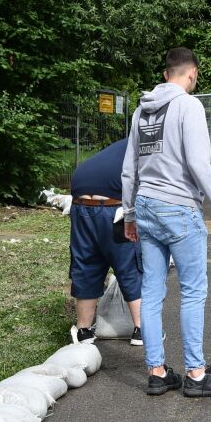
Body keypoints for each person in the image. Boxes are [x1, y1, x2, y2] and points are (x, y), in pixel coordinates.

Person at [121, 47, 211, 397]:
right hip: (179, 208)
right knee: (192, 290)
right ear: (192, 74)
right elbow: (199, 163)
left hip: (145, 205)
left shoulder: (140, 112)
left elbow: (130, 170)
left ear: (165, 74)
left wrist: (129, 215)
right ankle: (196, 374)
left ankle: (157, 372)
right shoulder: (189, 106)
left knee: (152, 291)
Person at [68, 138, 143, 345]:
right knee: (129, 264)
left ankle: (83, 331)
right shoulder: (152, 148)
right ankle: (140, 330)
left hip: (80, 201)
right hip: (113, 206)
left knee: (86, 263)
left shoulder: (124, 143)